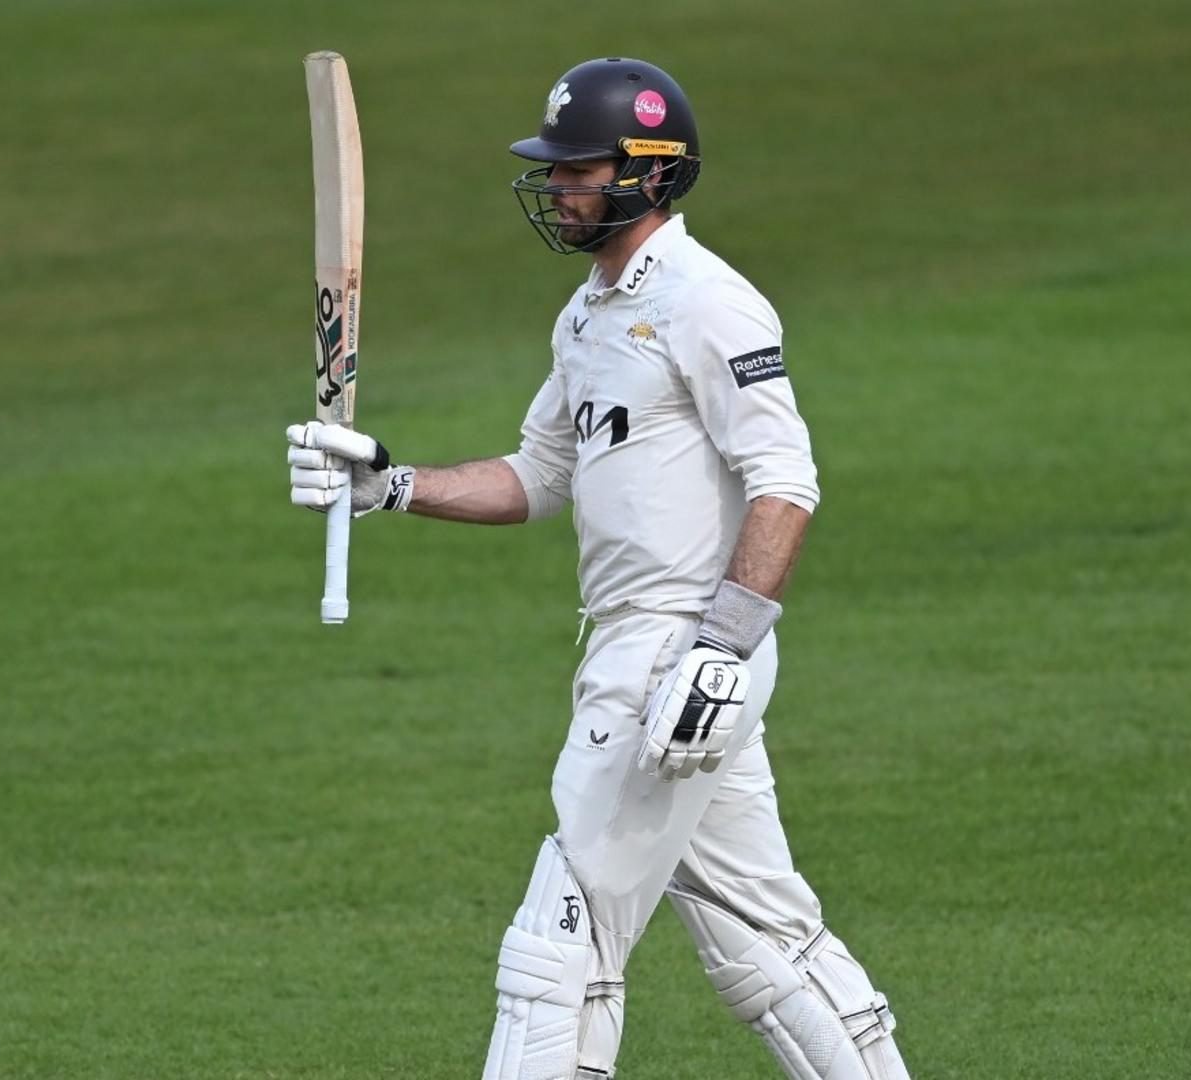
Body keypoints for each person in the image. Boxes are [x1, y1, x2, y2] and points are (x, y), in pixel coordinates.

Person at [286, 57, 911, 1080]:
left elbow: (786, 482)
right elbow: (538, 475)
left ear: (651, 175)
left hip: (681, 650)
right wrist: (390, 485)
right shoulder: (586, 316)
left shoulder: (713, 302)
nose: (560, 186)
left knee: (559, 940)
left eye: (580, 168)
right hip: (635, 647)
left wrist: (721, 651)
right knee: (764, 936)